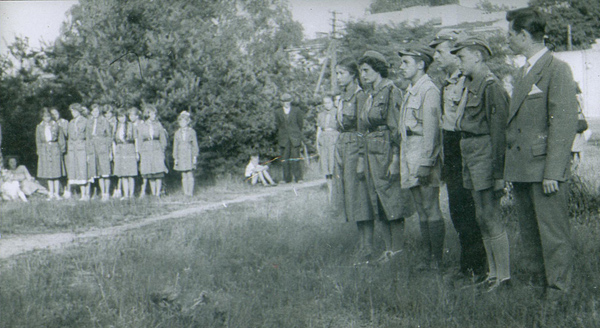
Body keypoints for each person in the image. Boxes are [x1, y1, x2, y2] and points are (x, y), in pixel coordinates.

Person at [505, 8, 578, 297]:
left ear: (524, 35)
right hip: (523, 167)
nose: (508, 40)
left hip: (544, 169)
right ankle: (536, 282)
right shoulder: (523, 70)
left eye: (511, 35)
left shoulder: (556, 68)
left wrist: (553, 172)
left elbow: (563, 123)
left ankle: (558, 289)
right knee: (530, 232)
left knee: (552, 234)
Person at [451, 36, 511, 291]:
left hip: (485, 153)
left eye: (462, 56)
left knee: (490, 215)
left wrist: (499, 173)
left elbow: (500, 133)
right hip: (471, 151)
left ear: (477, 56)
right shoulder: (470, 84)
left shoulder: (490, 86)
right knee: (481, 215)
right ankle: (492, 274)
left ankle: (504, 277)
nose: (459, 62)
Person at [430, 30, 487, 278]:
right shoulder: (448, 81)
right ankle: (467, 266)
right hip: (451, 146)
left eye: (441, 51)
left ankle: (477, 267)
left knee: (469, 209)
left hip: (465, 145)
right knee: (457, 208)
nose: (436, 56)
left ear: (456, 52)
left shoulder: (468, 79)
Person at [358, 50, 414, 262]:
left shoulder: (391, 91)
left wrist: (396, 159)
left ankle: (397, 250)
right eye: (361, 71)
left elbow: (397, 128)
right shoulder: (369, 93)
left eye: (366, 70)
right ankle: (388, 249)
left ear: (378, 70)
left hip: (387, 152)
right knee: (378, 201)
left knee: (393, 201)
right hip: (372, 153)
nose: (362, 75)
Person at [398, 45, 445, 269]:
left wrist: (427, 162)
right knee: (421, 209)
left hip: (423, 152)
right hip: (410, 151)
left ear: (421, 64)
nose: (401, 66)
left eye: (406, 62)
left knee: (430, 207)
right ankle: (427, 258)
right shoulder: (411, 89)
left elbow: (432, 131)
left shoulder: (429, 90)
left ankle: (437, 260)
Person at [332, 58, 374, 260]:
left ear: (353, 75)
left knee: (360, 197)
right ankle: (361, 243)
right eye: (337, 74)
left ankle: (368, 245)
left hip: (355, 149)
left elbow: (362, 130)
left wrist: (360, 159)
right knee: (350, 196)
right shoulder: (342, 97)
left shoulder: (360, 96)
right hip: (343, 147)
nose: (338, 78)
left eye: (342, 73)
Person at [36, 107, 66, 200]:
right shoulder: (39, 127)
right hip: (45, 149)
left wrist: (62, 149)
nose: (47, 118)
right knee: (48, 172)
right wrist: (40, 151)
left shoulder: (56, 125)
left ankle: (57, 193)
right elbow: (38, 140)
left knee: (56, 171)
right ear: (42, 117)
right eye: (45, 117)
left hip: (54, 148)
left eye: (48, 116)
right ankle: (51, 192)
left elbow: (61, 138)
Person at [137, 105, 168, 198]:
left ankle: (158, 193)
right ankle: (153, 193)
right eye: (152, 113)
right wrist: (141, 151)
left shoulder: (158, 124)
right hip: (146, 149)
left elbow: (163, 138)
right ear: (148, 114)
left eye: (155, 114)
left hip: (156, 148)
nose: (154, 115)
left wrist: (162, 149)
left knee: (158, 172)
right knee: (150, 172)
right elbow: (139, 140)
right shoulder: (142, 126)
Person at [274, 93, 304, 184]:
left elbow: (300, 124)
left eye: (288, 101)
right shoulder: (278, 112)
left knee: (295, 158)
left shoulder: (297, 110)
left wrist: (296, 134)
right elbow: (278, 125)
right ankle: (287, 178)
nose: (286, 103)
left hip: (294, 137)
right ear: (281, 102)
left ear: (291, 101)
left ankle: (298, 178)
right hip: (284, 138)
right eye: (284, 101)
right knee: (284, 158)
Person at [86, 104, 113, 201]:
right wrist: (89, 152)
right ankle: (103, 193)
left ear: (99, 112)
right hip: (93, 148)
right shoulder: (89, 122)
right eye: (93, 111)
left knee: (105, 171)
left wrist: (108, 149)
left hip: (103, 147)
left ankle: (107, 193)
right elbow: (88, 137)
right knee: (99, 172)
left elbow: (109, 136)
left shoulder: (104, 121)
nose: (95, 113)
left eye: (96, 111)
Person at [316, 92, 339, 201]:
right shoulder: (321, 114)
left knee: (333, 165)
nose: (327, 105)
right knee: (326, 167)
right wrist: (317, 143)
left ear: (332, 102)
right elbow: (319, 129)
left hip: (334, 138)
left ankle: (336, 192)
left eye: (329, 102)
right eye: (325, 103)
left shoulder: (337, 112)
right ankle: (330, 192)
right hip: (324, 140)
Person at [112, 108, 138, 200]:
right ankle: (125, 194)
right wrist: (114, 154)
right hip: (120, 150)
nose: (121, 119)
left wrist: (137, 152)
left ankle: (131, 194)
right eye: (119, 117)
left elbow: (136, 139)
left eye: (122, 116)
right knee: (123, 174)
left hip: (129, 148)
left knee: (130, 174)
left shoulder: (131, 125)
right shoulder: (116, 126)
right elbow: (114, 141)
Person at [65, 103, 90, 200]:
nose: (73, 113)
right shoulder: (71, 122)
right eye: (72, 111)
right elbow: (70, 137)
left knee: (83, 170)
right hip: (73, 149)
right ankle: (80, 193)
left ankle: (86, 194)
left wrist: (88, 151)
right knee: (75, 170)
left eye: (74, 111)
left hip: (82, 147)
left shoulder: (85, 121)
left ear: (79, 111)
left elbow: (88, 137)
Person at [173, 111, 199, 196]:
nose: (182, 123)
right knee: (183, 174)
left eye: (184, 121)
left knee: (189, 173)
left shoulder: (192, 131)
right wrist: (175, 157)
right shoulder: (177, 133)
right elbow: (175, 146)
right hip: (181, 154)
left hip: (189, 153)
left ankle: (190, 192)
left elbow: (195, 145)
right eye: (180, 121)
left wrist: (195, 156)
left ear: (187, 122)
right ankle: (185, 192)